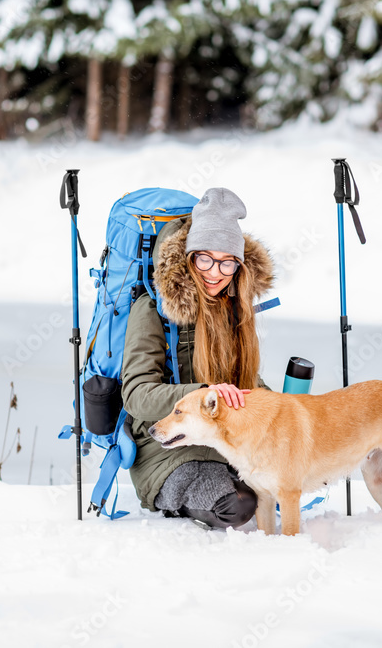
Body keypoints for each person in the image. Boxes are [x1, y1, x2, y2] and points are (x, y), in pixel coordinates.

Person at [120, 187, 275, 529]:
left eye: (227, 262)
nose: (215, 272)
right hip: (165, 448)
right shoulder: (151, 310)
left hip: (223, 441)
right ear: (189, 257)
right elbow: (136, 395)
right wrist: (206, 393)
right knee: (238, 504)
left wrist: (288, 414)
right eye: (204, 258)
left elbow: (248, 386)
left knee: (285, 480)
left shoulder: (233, 310)